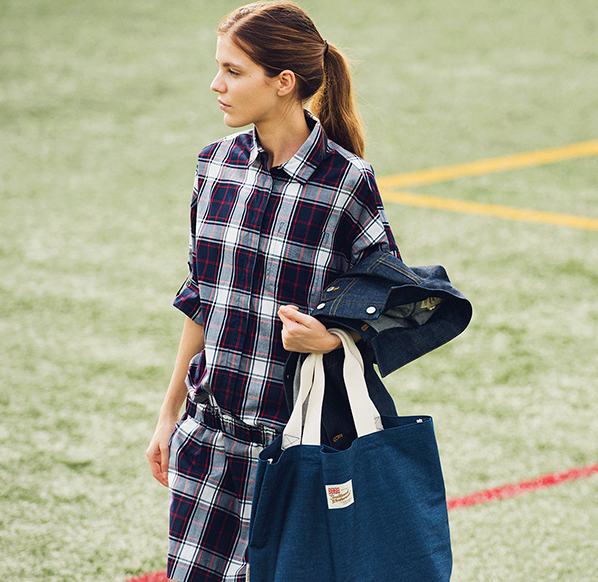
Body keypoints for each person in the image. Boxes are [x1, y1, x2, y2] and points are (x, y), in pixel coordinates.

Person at [144, 2, 399, 581]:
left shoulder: (346, 184)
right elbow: (200, 300)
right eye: (218, 68)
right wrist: (169, 416)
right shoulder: (214, 167)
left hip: (297, 457)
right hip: (208, 445)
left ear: (283, 83)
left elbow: (395, 304)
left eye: (233, 71)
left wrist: (334, 338)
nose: (216, 85)